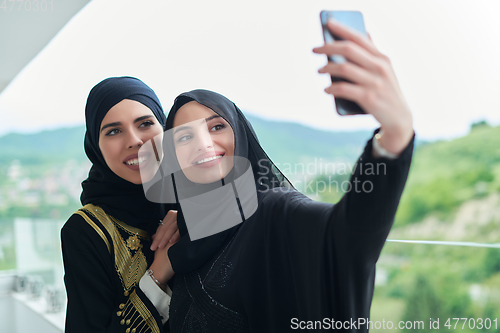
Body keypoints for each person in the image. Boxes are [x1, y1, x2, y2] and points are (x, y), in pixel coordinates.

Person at [156, 20, 415, 332]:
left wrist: (394, 135)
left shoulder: (271, 210)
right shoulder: (183, 232)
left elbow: (348, 236)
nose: (204, 144)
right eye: (184, 137)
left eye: (217, 126)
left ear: (240, 134)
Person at [61, 77, 180, 333]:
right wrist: (158, 274)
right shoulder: (85, 232)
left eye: (146, 123)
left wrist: (192, 216)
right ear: (96, 146)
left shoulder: (195, 195)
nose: (134, 141)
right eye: (114, 131)